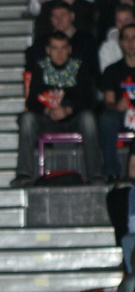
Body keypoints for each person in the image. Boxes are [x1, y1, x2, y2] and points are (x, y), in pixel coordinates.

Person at [11, 30, 104, 187]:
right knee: (27, 119)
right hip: (48, 118)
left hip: (74, 118)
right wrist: (47, 111)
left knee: (89, 118)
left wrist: (68, 110)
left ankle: (96, 175)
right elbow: (32, 101)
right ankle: (24, 174)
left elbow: (89, 100)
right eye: (55, 48)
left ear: (69, 49)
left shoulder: (80, 67)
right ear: (48, 50)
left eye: (63, 48)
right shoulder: (40, 67)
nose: (59, 53)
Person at [100, 22, 135, 181]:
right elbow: (108, 102)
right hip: (121, 114)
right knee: (107, 118)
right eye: (126, 38)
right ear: (121, 43)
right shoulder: (112, 70)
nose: (130, 42)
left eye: (134, 38)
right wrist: (117, 106)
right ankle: (112, 171)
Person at [99, 2, 135, 71]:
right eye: (119, 21)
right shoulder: (107, 47)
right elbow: (107, 72)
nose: (123, 24)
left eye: (126, 20)